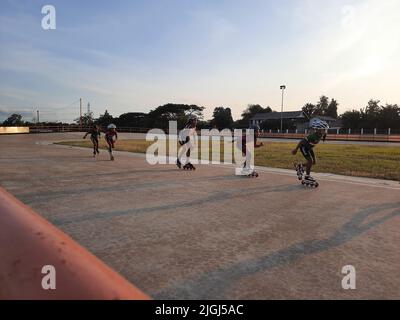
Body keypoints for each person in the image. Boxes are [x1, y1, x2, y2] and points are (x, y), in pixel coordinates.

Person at [292, 118, 329, 184]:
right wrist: (296, 149)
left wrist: (314, 157)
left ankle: (300, 166)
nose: (325, 131)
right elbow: (302, 141)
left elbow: (311, 146)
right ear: (318, 130)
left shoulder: (320, 135)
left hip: (309, 148)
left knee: (313, 162)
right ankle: (307, 176)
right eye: (324, 130)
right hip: (303, 147)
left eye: (326, 130)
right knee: (310, 161)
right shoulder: (313, 136)